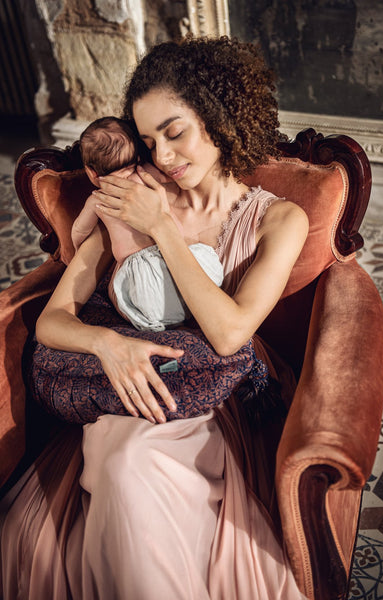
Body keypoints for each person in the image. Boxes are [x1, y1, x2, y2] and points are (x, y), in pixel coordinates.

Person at [2, 36, 309, 599]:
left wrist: (164, 228)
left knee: (131, 462)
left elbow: (228, 334)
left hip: (212, 396)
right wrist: (107, 345)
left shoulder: (280, 220)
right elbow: (53, 321)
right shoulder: (130, 197)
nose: (163, 156)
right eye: (148, 141)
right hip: (124, 389)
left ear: (218, 119)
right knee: (120, 458)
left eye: (175, 131)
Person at [74, 116, 224, 331]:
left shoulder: (98, 199)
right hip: (177, 258)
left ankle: (163, 326)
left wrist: (76, 247)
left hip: (142, 277)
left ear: (91, 171)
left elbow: (81, 229)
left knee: (117, 293)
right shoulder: (145, 175)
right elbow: (174, 178)